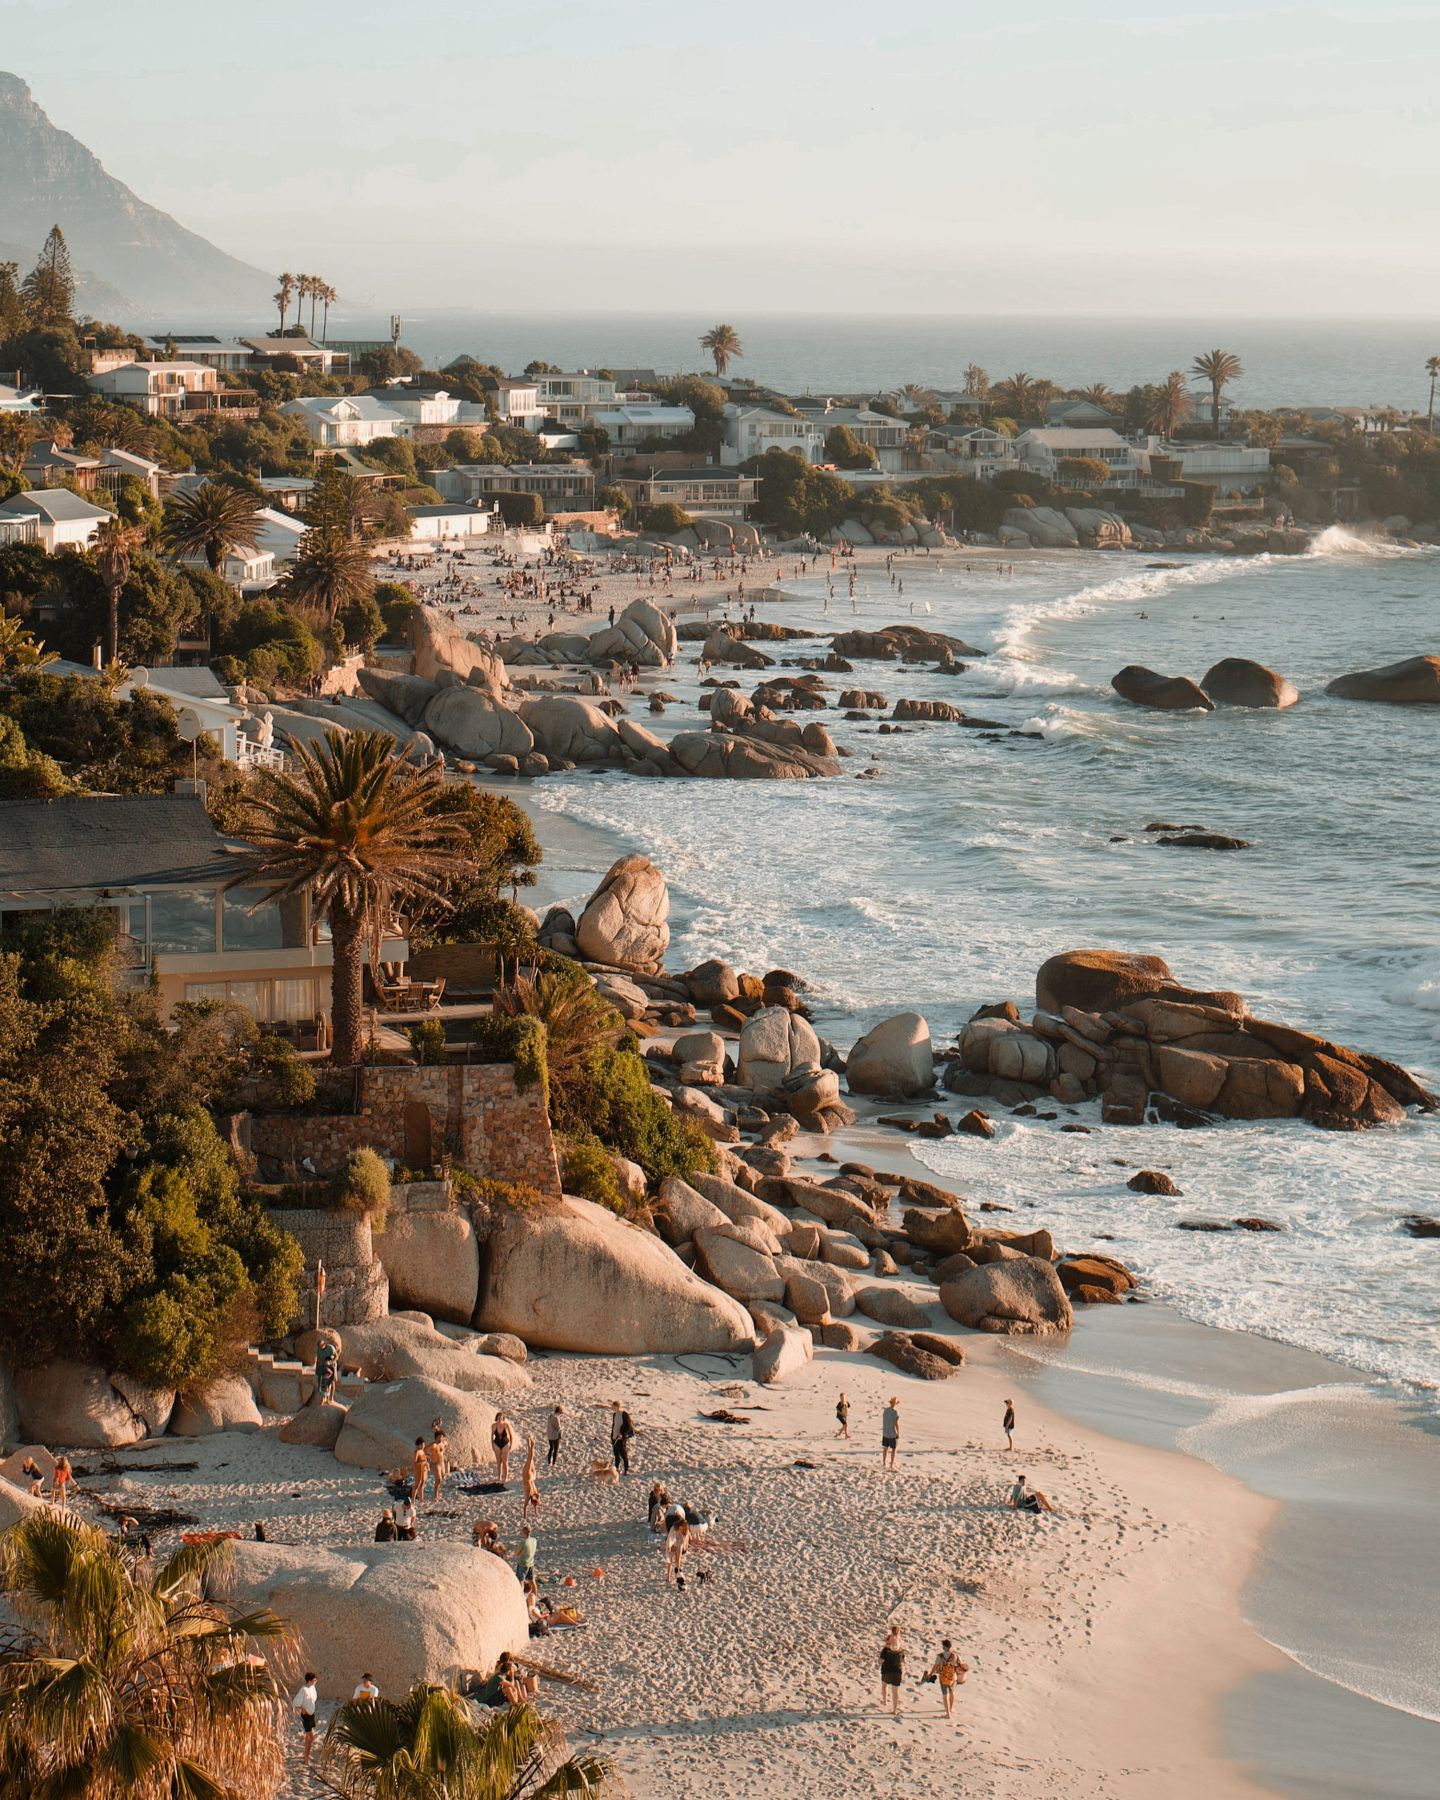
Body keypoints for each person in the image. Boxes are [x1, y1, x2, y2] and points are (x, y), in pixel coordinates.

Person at [927, 1639, 969, 1719]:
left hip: (943, 1677)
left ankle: (948, 1713)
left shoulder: (940, 1656)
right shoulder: (955, 1655)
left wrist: (930, 1674)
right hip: (953, 1677)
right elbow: (961, 1664)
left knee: (945, 1695)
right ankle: (951, 1708)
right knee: (952, 1692)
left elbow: (935, 1666)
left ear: (944, 1647)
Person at [293, 1671, 319, 1764]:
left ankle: (306, 1756)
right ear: (310, 1680)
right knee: (310, 1736)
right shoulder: (303, 1689)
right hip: (306, 1715)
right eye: (314, 1680)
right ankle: (306, 1758)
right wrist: (302, 1708)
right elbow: (295, 1702)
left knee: (309, 1736)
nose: (315, 1682)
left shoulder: (313, 1688)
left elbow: (313, 1699)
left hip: (311, 1714)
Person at [879, 1625, 905, 1716]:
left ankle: (885, 1700)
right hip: (897, 1670)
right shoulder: (900, 1649)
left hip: (887, 1670)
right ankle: (895, 1710)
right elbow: (903, 1660)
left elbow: (881, 1660)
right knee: (895, 1691)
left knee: (884, 1686)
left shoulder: (886, 1649)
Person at [664, 1515, 691, 1586]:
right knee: (670, 1561)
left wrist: (685, 1547)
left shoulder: (685, 1531)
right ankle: (668, 1577)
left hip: (679, 1545)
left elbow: (686, 1539)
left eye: (682, 1528)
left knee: (678, 1560)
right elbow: (670, 1538)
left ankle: (678, 1575)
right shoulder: (673, 1529)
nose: (681, 1529)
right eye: (680, 1528)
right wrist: (669, 1547)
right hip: (673, 1545)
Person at [610, 1400, 635, 1474]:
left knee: (623, 1453)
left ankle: (626, 1469)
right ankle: (616, 1468)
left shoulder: (624, 1414)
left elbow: (628, 1426)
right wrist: (612, 1436)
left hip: (621, 1437)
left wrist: (623, 1435)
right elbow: (614, 1425)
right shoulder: (614, 1414)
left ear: (617, 1406)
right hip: (615, 1436)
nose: (612, 1407)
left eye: (613, 1406)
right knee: (616, 1453)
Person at [427, 1425, 449, 1500]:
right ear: (436, 1438)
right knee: (438, 1479)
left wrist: (443, 1452)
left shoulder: (443, 1443)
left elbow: (446, 1445)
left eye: (441, 1437)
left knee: (442, 1477)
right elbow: (424, 1450)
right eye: (439, 1437)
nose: (440, 1439)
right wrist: (430, 1456)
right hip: (435, 1463)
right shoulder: (433, 1445)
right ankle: (435, 1495)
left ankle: (437, 1492)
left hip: (441, 1462)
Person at [491, 1410, 513, 1483]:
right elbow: (492, 1436)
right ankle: (499, 1476)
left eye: (501, 1418)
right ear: (496, 1418)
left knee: (505, 1461)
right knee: (498, 1461)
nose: (499, 1419)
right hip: (497, 1443)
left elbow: (510, 1434)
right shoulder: (494, 1426)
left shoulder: (506, 1425)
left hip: (505, 1443)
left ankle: (505, 1477)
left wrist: (511, 1444)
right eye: (498, 1418)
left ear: (503, 1418)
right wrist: (492, 1445)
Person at [881, 1398, 900, 1471]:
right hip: (892, 1433)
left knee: (885, 1448)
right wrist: (898, 1433)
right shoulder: (895, 1412)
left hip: (885, 1432)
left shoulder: (885, 1411)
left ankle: (884, 1462)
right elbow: (896, 1424)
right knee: (894, 1449)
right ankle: (891, 1464)